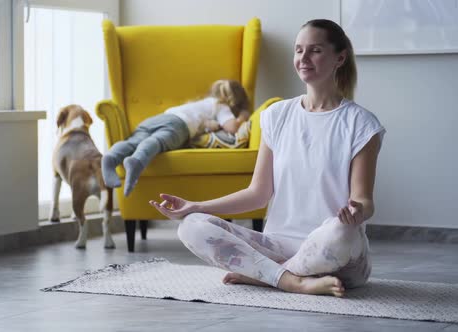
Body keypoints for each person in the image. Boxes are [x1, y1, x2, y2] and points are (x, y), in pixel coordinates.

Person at [150, 19, 386, 298]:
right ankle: (291, 281)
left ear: (340, 58)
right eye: (299, 50)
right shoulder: (276, 116)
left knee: (340, 231)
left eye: (315, 50)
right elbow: (258, 194)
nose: (304, 58)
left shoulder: (362, 124)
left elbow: (364, 200)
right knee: (192, 226)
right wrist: (196, 207)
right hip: (278, 245)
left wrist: (357, 212)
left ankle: (267, 275)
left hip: (338, 254)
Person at [102, 79, 251, 196]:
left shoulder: (200, 104)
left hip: (157, 119)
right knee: (158, 141)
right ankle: (136, 161)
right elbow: (232, 128)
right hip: (180, 125)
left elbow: (203, 124)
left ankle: (110, 158)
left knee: (132, 142)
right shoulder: (221, 106)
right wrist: (242, 118)